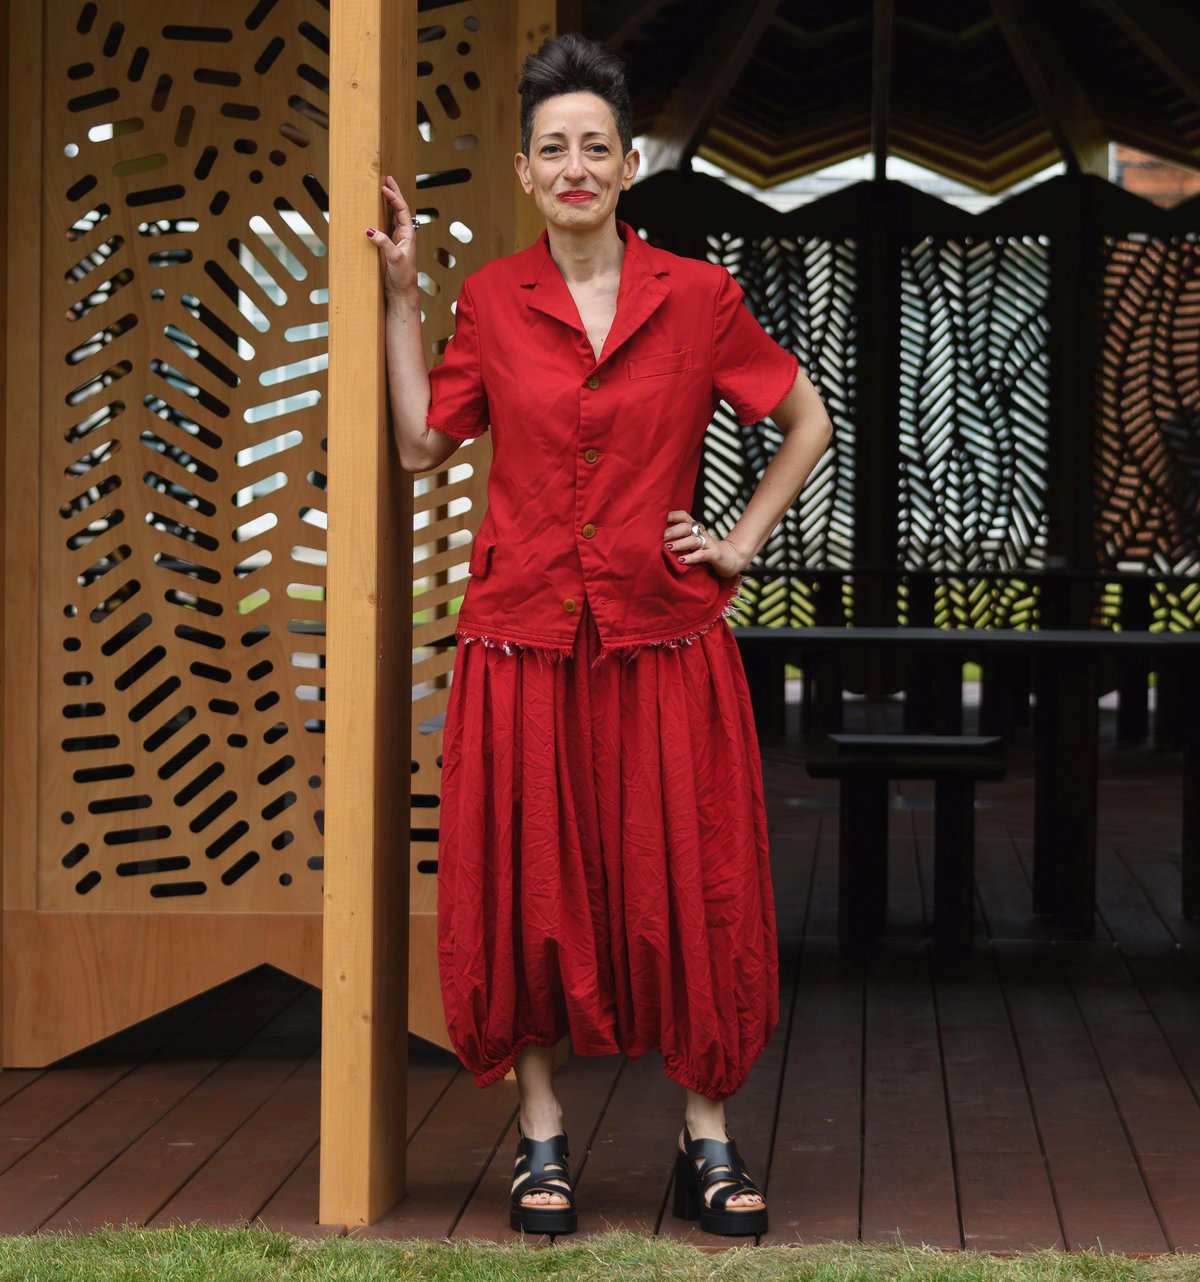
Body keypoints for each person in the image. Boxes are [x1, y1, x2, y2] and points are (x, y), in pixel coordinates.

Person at [367, 33, 832, 1239]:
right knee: (528, 893)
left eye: (596, 147)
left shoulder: (697, 296)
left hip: (664, 637)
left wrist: (737, 540)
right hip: (522, 641)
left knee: (692, 884)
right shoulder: (491, 302)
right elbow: (422, 443)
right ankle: (541, 1140)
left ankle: (707, 1136)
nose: (575, 166)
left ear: (629, 165)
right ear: (525, 173)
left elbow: (806, 419)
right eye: (553, 148)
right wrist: (404, 294)